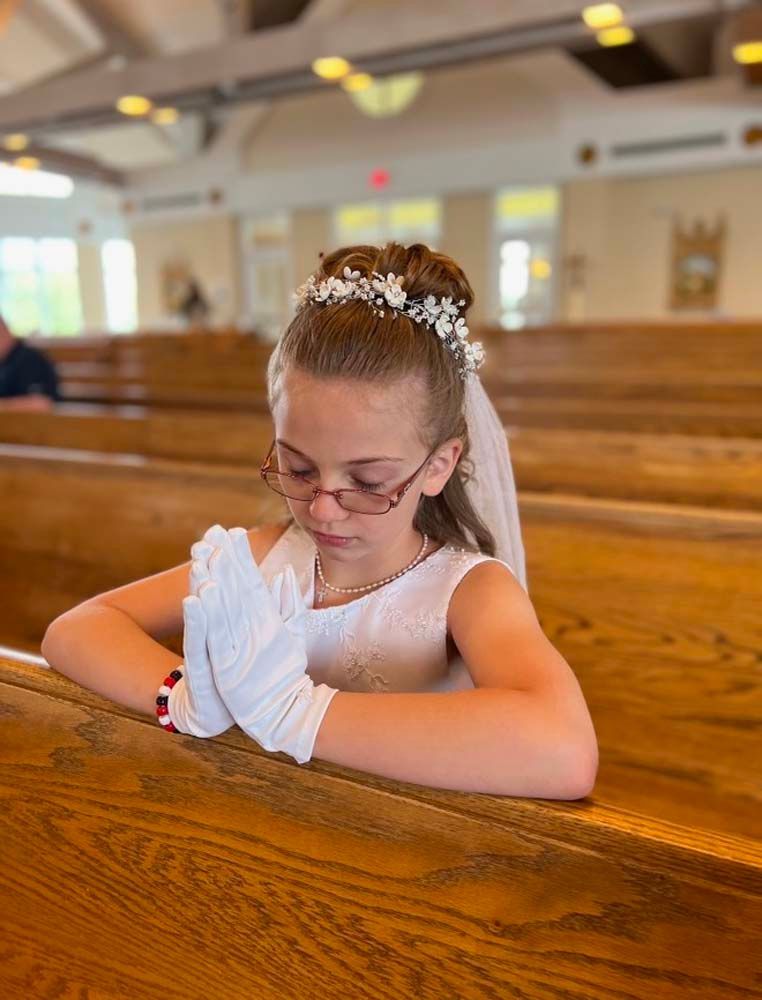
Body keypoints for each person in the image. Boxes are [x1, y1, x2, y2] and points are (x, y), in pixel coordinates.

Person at [42, 242, 598, 798]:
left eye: (368, 482)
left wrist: (299, 713)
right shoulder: (267, 553)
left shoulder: (470, 591)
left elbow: (564, 751)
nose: (323, 508)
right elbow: (75, 629)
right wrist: (178, 696)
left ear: (439, 466)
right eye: (299, 467)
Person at [0, 312, 61, 411]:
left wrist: (4, 405)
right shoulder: (3, 362)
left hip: (40, 424)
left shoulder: (31, 360)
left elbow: (42, 403)